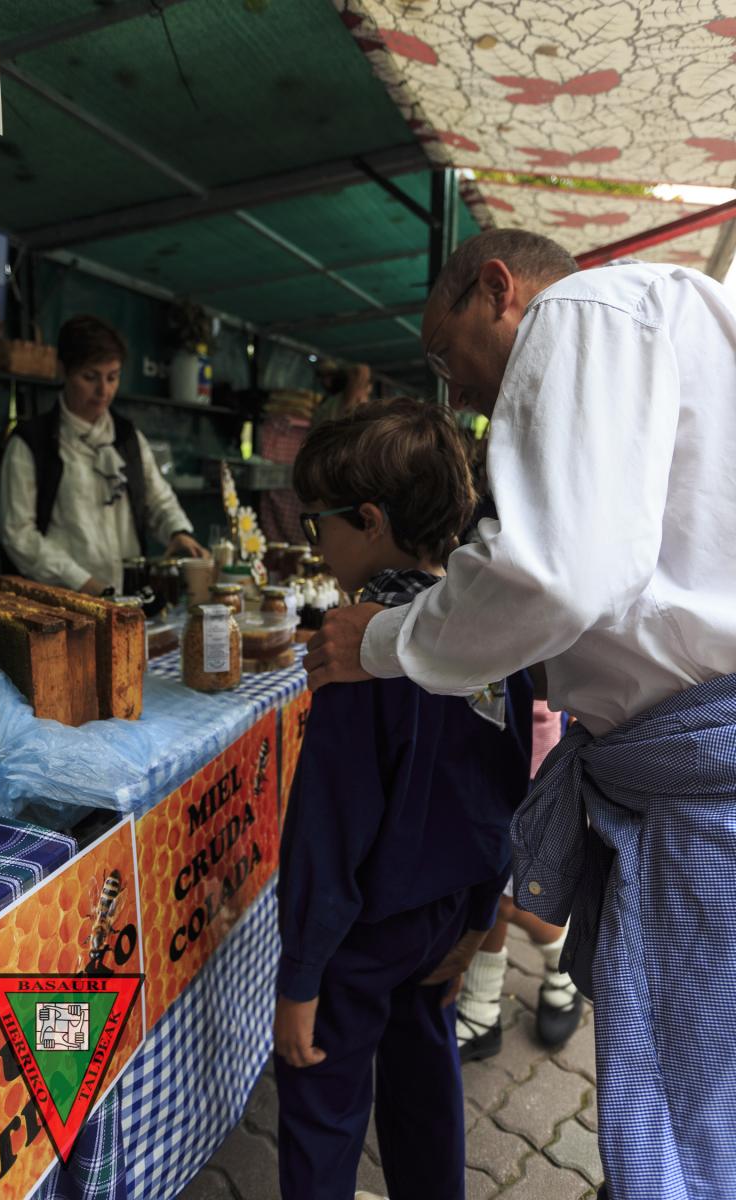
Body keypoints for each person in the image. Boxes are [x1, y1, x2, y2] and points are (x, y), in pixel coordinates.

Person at [302, 228, 736, 1200]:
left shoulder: (580, 312)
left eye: (443, 353)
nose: (455, 390)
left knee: (691, 1117)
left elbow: (556, 574)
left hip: (703, 779)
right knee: (697, 1093)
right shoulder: (670, 321)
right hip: (684, 769)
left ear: (497, 289)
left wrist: (381, 640)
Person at [273, 397, 533, 1200]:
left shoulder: (356, 648)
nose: (314, 544)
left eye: (317, 523)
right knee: (425, 1075)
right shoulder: (489, 635)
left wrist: (300, 979)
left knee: (321, 1100)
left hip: (359, 933)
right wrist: (480, 914)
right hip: (446, 917)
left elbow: (327, 828)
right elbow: (509, 786)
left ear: (370, 520)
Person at [0, 314, 207, 595]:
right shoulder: (31, 443)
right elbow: (19, 534)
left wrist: (177, 532)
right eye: (90, 377)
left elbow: (158, 499)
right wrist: (81, 582)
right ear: (63, 370)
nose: (103, 391)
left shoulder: (127, 438)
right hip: (63, 601)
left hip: (127, 597)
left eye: (113, 377)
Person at [457, 700, 581, 1059]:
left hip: (527, 750)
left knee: (508, 899)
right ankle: (481, 1007)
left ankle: (564, 956)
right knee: (483, 885)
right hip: (467, 743)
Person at [310, 361, 372, 427]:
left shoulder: (354, 399)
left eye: (329, 375)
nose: (325, 381)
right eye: (323, 376)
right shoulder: (332, 400)